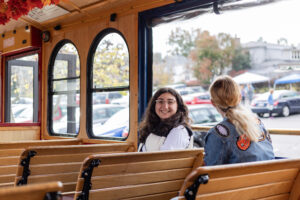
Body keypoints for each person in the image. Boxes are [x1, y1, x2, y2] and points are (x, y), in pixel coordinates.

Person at [204, 75, 274, 166]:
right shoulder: (257, 123)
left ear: (213, 103)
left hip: (241, 180)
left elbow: (212, 171)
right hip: (270, 179)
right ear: (240, 97)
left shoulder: (217, 134)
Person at [138, 87, 193, 152]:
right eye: (160, 101)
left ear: (178, 106)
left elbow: (165, 160)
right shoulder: (154, 126)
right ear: (154, 105)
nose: (165, 107)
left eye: (170, 102)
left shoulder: (179, 131)